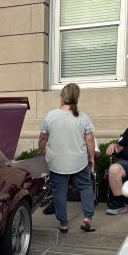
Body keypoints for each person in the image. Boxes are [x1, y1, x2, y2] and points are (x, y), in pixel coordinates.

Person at [38, 83, 96, 233]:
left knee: (59, 191)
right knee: (85, 187)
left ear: (62, 97)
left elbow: (43, 138)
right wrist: (91, 158)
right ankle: (88, 217)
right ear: (77, 98)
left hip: (56, 162)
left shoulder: (50, 116)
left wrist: (41, 152)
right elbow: (90, 140)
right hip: (79, 160)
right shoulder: (83, 117)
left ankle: (63, 223)